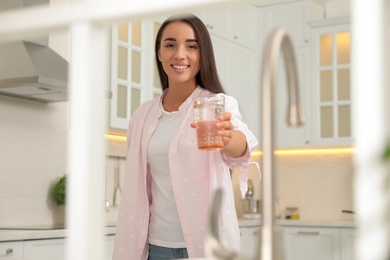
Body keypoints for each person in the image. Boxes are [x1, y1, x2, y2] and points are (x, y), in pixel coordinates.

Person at [112, 13, 258, 260]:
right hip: (154, 247)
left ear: (203, 55)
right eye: (170, 45)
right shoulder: (142, 116)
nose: (180, 54)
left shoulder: (217, 105)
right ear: (159, 52)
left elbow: (240, 147)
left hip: (205, 247)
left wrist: (228, 138)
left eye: (191, 46)